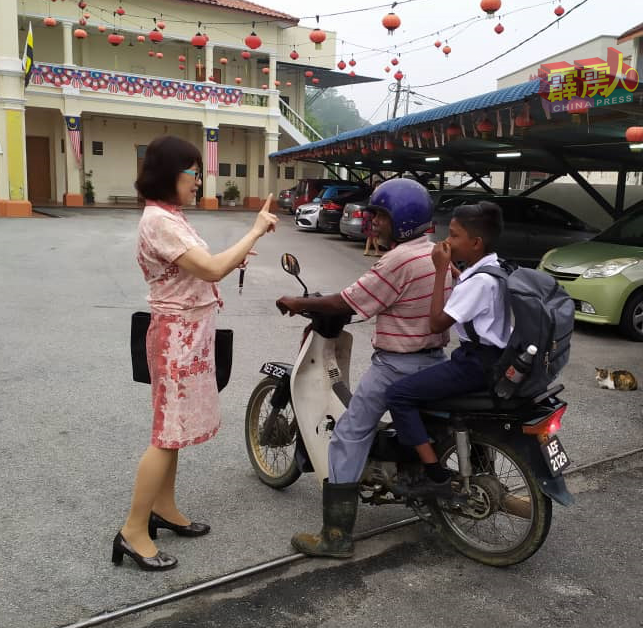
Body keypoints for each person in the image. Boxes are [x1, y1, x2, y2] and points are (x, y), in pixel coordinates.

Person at [113, 135, 279, 571]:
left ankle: (164, 508)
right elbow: (210, 267)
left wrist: (234, 255)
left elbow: (202, 265)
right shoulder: (160, 220)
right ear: (171, 174)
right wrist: (255, 230)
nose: (199, 180)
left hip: (190, 332)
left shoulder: (171, 215)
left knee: (177, 430)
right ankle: (133, 530)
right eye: (193, 172)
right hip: (176, 336)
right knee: (167, 435)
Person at [275, 178, 451, 559]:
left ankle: (335, 536)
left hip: (397, 365)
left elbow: (350, 300)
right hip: (433, 360)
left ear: (402, 220)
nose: (372, 221)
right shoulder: (434, 253)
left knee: (348, 436)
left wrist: (299, 302)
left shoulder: (397, 260)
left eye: (380, 216)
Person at [383, 201, 509, 494]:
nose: (445, 241)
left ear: (475, 242)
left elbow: (437, 323)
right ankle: (459, 459)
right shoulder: (496, 266)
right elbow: (470, 292)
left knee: (398, 395)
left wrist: (440, 270)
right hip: (496, 359)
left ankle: (433, 474)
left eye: (453, 235)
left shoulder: (478, 283)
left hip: (475, 365)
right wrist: (454, 270)